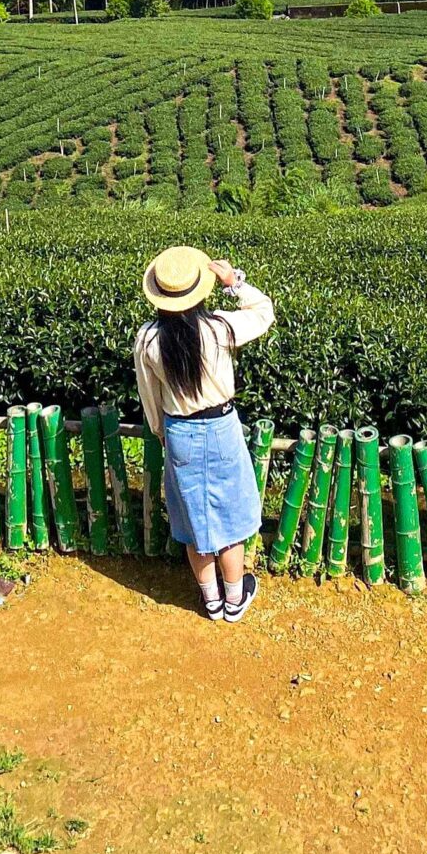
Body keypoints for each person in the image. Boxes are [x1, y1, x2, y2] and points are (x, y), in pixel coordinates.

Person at [135, 245, 274, 622]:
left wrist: (162, 432)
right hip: (221, 426)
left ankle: (210, 601)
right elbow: (263, 313)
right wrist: (234, 281)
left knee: (194, 517)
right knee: (229, 517)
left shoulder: (147, 338)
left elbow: (149, 395)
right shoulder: (218, 328)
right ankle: (234, 599)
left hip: (180, 431)